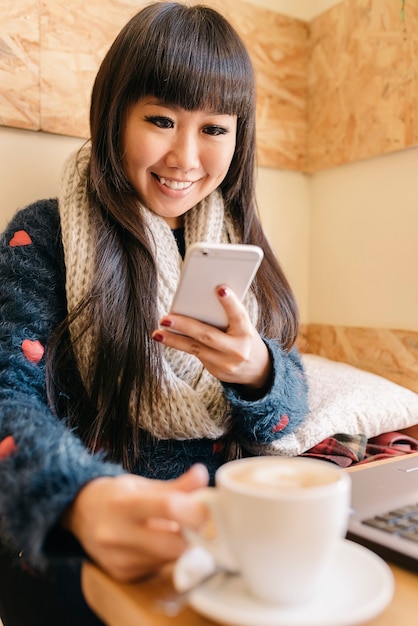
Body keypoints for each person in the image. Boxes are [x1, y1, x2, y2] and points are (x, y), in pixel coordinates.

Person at [0, 2, 309, 624]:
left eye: (214, 129)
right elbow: (9, 393)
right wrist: (79, 499)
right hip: (85, 556)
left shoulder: (238, 245)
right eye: (162, 119)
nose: (186, 157)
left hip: (220, 548)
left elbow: (288, 414)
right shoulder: (44, 235)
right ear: (116, 116)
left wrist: (257, 371)